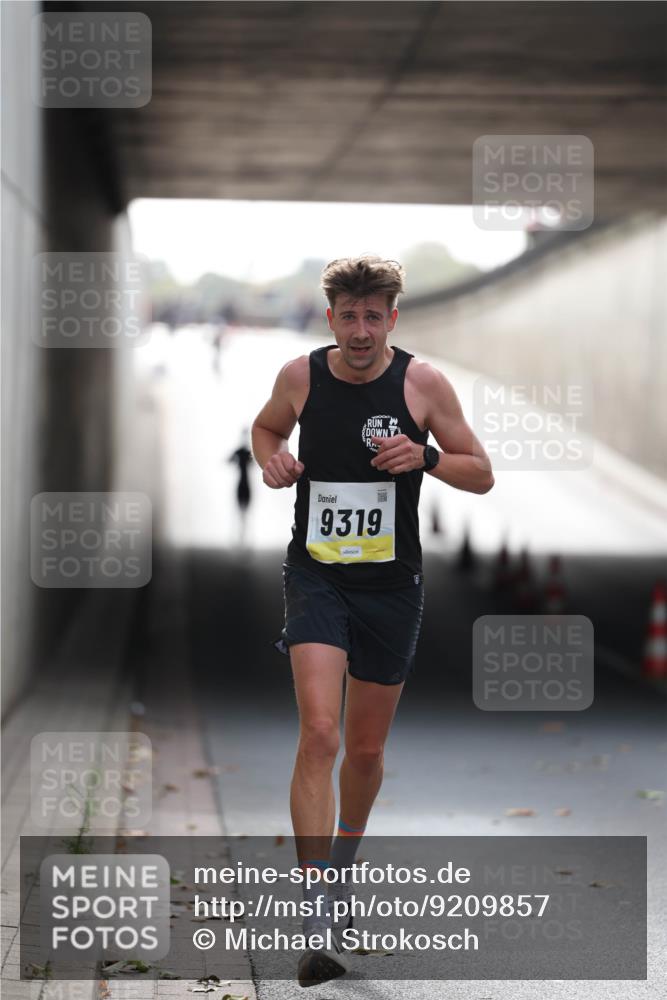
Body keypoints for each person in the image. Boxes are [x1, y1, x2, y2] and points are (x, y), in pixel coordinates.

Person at [251, 255, 494, 986]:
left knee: (363, 749)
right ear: (330, 320)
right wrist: (273, 460)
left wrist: (423, 457)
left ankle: (343, 868)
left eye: (372, 316)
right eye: (347, 316)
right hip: (316, 574)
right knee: (319, 733)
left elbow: (479, 470)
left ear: (392, 318)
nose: (359, 331)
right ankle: (316, 905)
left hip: (392, 586)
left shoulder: (421, 384)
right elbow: (265, 431)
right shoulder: (300, 377)